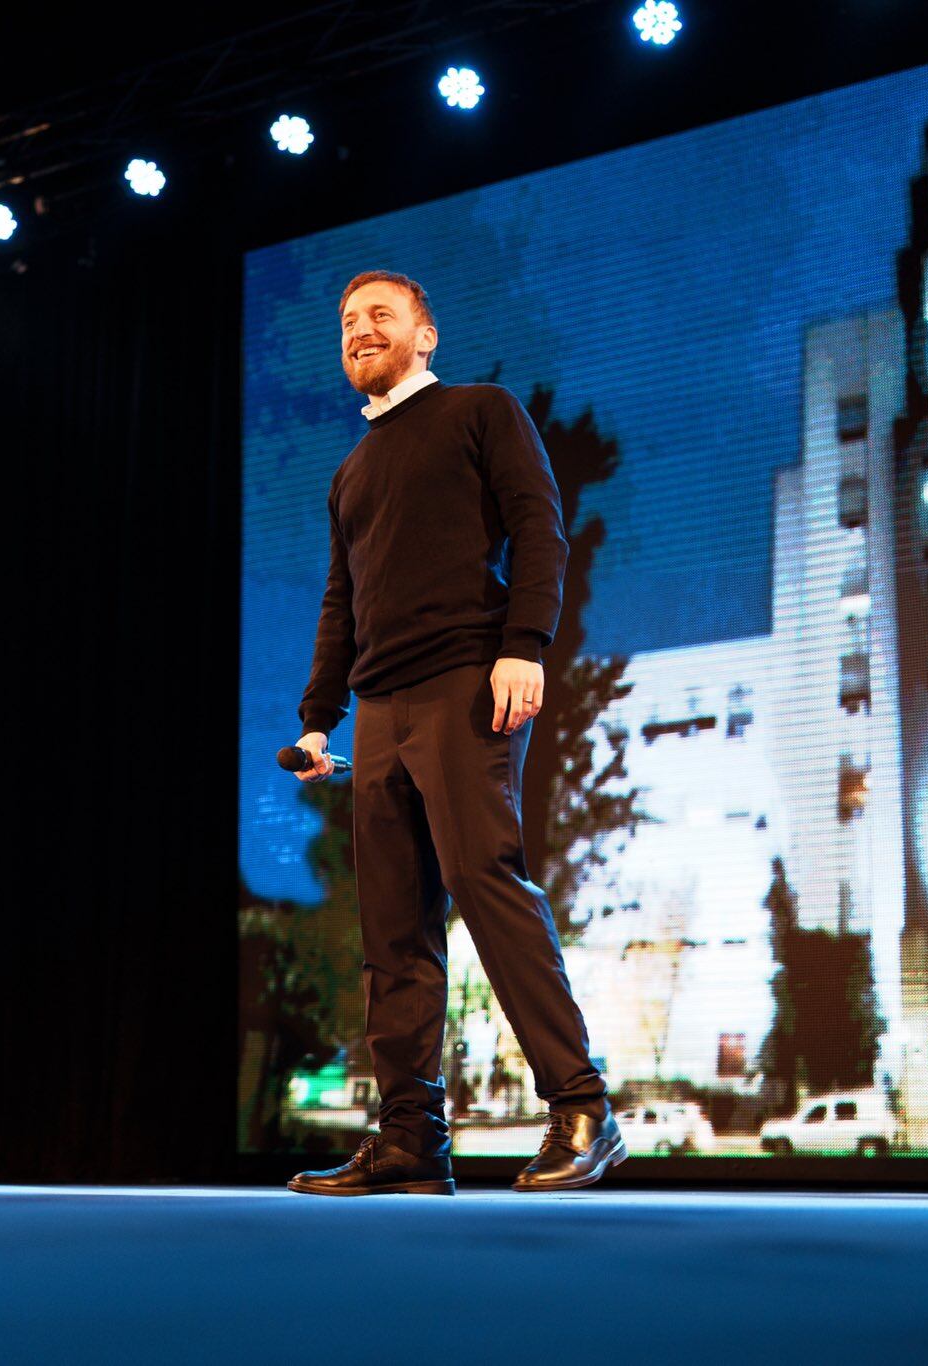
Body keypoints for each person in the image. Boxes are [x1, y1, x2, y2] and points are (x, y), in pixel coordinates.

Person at [284, 271, 622, 1196]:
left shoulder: (482, 411)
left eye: (380, 317)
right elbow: (341, 600)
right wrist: (319, 718)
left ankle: (583, 1105)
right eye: (349, 322)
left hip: (467, 681)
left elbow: (539, 528)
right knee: (392, 928)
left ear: (425, 336)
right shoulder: (349, 472)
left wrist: (526, 645)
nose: (361, 331)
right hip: (381, 708)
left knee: (483, 877)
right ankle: (409, 1140)